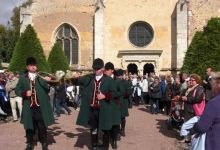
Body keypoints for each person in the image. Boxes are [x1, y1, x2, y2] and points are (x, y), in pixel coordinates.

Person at [72, 58, 115, 150]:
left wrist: (105, 96)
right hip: (92, 109)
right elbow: (76, 82)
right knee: (93, 128)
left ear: (103, 68)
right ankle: (94, 145)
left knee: (105, 129)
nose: (96, 70)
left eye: (98, 68)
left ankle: (105, 146)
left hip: (104, 109)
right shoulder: (88, 78)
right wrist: (74, 78)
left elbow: (114, 93)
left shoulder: (109, 80)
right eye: (95, 68)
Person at [15, 57, 54, 150]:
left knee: (42, 126)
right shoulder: (22, 78)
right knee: (29, 127)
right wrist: (24, 93)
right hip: (29, 108)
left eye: (34, 65)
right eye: (31, 65)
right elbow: (17, 90)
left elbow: (48, 88)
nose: (33, 67)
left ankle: (44, 143)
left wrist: (48, 81)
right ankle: (29, 143)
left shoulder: (41, 77)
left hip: (40, 107)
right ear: (27, 67)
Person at [194, 72, 220, 150]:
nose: (211, 88)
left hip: (214, 143)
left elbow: (202, 127)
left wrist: (194, 126)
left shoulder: (214, 102)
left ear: (217, 85)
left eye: (212, 85)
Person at [104, 62, 121, 149]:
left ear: (112, 71)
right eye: (105, 70)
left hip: (114, 105)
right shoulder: (103, 79)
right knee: (107, 124)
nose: (106, 71)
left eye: (107, 70)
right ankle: (108, 139)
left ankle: (114, 141)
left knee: (114, 125)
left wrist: (109, 95)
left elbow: (120, 93)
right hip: (106, 105)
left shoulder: (117, 80)